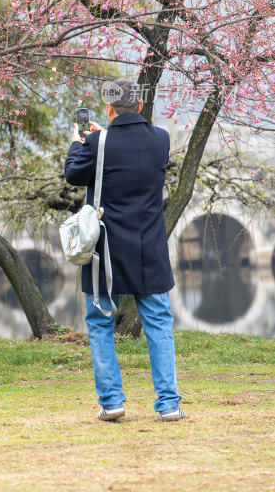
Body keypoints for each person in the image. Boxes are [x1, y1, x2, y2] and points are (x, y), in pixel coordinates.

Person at [64, 80, 185, 422]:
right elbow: (131, 153)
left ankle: (112, 402)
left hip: (106, 248)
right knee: (159, 323)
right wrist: (103, 138)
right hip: (150, 246)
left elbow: (75, 174)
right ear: (142, 107)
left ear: (109, 108)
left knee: (100, 323)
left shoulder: (98, 142)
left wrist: (78, 144)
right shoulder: (161, 138)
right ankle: (169, 405)